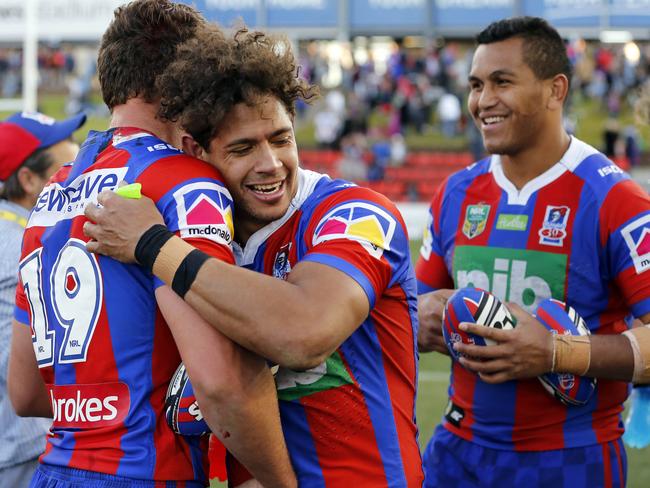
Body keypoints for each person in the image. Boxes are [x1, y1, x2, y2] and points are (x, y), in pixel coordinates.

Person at [83, 26, 424, 487]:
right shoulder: (203, 233)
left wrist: (153, 246)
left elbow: (306, 331)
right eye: (243, 148)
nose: (270, 163)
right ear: (195, 151)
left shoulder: (357, 213)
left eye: (281, 139)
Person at [7, 2, 294, 487]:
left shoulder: (53, 192)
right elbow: (220, 381)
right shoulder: (182, 182)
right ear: (183, 76)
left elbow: (27, 393)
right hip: (147, 470)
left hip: (55, 469)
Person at [414, 16, 650, 487]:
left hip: (570, 459)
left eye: (503, 82)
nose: (483, 101)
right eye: (476, 84)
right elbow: (411, 309)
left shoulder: (617, 201)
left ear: (554, 90)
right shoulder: (456, 193)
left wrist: (557, 352)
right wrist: (419, 316)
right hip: (456, 454)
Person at [0, 110, 85, 487]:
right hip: (24, 444)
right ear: (28, 179)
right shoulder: (17, 243)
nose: (78, 175)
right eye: (67, 165)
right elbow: (19, 362)